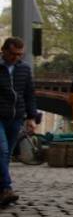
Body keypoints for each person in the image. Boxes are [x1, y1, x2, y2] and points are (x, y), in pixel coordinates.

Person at [0, 37, 38, 207]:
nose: (17, 57)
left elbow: (29, 94)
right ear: (4, 51)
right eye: (14, 54)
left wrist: (31, 117)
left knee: (6, 156)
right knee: (2, 150)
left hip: (16, 117)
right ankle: (7, 188)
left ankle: (1, 190)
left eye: (20, 54)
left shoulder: (24, 69)